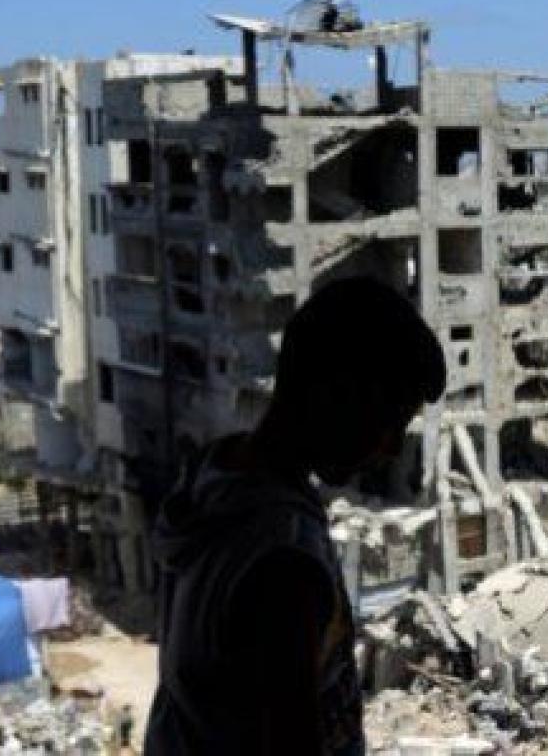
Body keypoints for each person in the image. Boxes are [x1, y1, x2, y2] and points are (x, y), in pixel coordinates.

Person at [144, 276, 446, 756]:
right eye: (389, 422)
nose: (391, 449)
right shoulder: (283, 565)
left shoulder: (214, 479)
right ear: (337, 395)